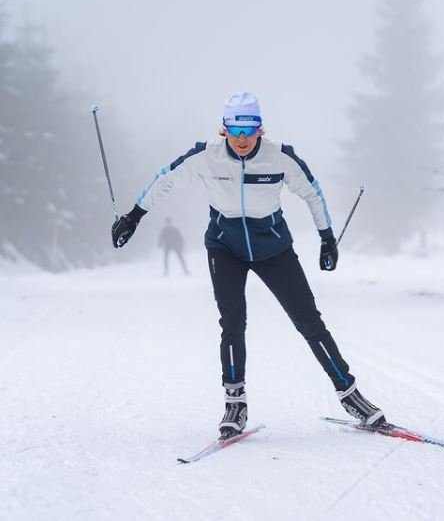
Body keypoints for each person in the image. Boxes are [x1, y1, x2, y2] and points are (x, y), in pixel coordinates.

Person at [111, 92, 386, 439]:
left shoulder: (280, 157)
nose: (243, 138)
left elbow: (312, 192)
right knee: (233, 323)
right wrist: (133, 217)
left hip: (273, 248)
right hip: (225, 247)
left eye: (250, 128)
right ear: (224, 129)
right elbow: (165, 179)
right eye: (235, 129)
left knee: (309, 322)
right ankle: (235, 403)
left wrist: (327, 238)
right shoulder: (205, 157)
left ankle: (350, 395)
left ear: (260, 128)